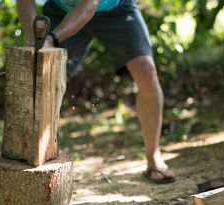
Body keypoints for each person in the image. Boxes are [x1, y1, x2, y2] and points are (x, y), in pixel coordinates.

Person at [16, 0, 176, 183]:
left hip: (115, 9)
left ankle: (154, 158)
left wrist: (52, 38)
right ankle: (33, 158)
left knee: (147, 72)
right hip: (61, 11)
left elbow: (89, 5)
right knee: (41, 76)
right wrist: (34, 42)